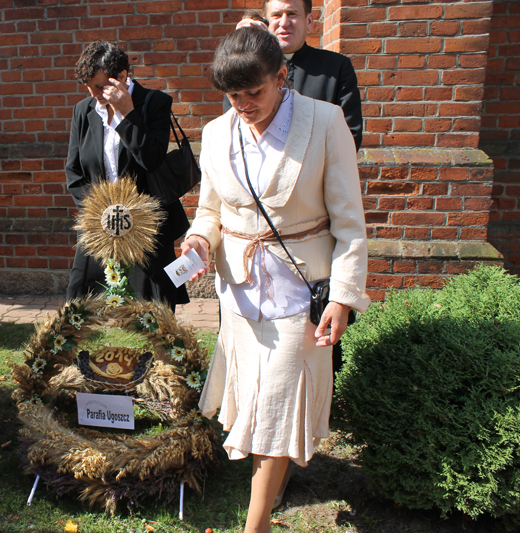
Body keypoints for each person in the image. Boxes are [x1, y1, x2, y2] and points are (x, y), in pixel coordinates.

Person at [182, 27, 369, 533]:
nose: (244, 104)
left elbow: (350, 224)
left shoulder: (325, 122)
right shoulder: (216, 133)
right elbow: (210, 210)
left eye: (254, 91)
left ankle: (255, 524)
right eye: (233, 95)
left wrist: (343, 297)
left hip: (300, 294)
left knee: (277, 407)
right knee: (256, 400)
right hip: (240, 296)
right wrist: (199, 239)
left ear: (282, 76)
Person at [65, 40, 190, 311]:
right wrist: (100, 213)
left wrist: (126, 113)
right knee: (79, 303)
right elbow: (74, 172)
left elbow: (151, 159)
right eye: (88, 86)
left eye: (99, 86)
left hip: (147, 227)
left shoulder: (155, 103)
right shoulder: (83, 111)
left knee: (154, 310)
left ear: (121, 77)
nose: (93, 93)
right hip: (99, 224)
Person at [223, 0, 363, 151]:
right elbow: (233, 128)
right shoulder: (247, 67)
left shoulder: (337, 67)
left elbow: (349, 135)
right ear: (266, 22)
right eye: (276, 15)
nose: (284, 23)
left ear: (309, 21)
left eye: (292, 14)